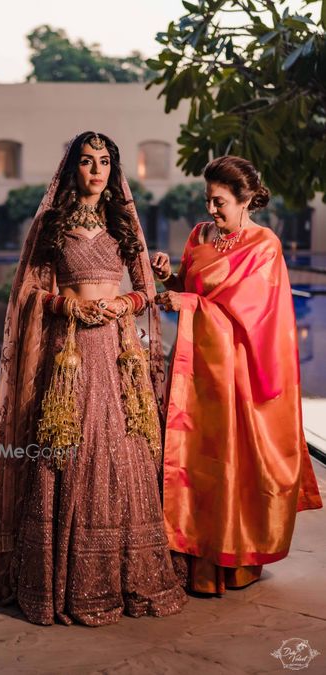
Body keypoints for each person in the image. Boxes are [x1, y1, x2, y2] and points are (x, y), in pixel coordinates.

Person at [0, 131, 187, 625]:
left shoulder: (124, 225)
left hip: (117, 355)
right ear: (72, 168)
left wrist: (122, 303)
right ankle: (58, 581)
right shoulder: (51, 225)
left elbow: (145, 291)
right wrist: (65, 304)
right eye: (87, 161)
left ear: (114, 170)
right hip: (68, 354)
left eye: (104, 162)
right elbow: (28, 295)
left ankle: (121, 574)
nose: (96, 171)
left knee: (121, 454)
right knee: (66, 453)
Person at [151, 155, 323, 595]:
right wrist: (168, 277)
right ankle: (190, 553)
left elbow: (250, 316)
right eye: (208, 199)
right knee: (193, 462)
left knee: (228, 464)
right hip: (196, 370)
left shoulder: (263, 246)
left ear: (246, 199)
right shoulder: (199, 235)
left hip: (236, 375)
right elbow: (192, 290)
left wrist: (187, 304)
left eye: (219, 201)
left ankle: (233, 562)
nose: (211, 209)